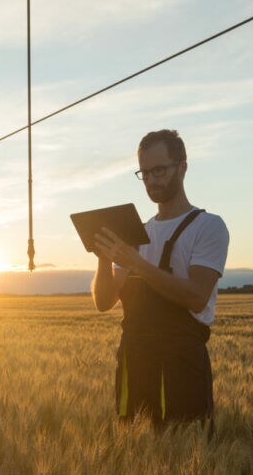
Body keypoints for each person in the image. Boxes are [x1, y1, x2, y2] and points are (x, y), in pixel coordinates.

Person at [90, 129, 230, 433]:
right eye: (145, 173)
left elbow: (197, 297)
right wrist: (103, 256)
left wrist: (137, 263)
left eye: (159, 171)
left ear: (182, 167)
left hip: (181, 365)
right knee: (134, 450)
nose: (151, 180)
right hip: (133, 363)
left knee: (185, 450)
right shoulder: (136, 232)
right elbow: (104, 302)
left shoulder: (208, 227)